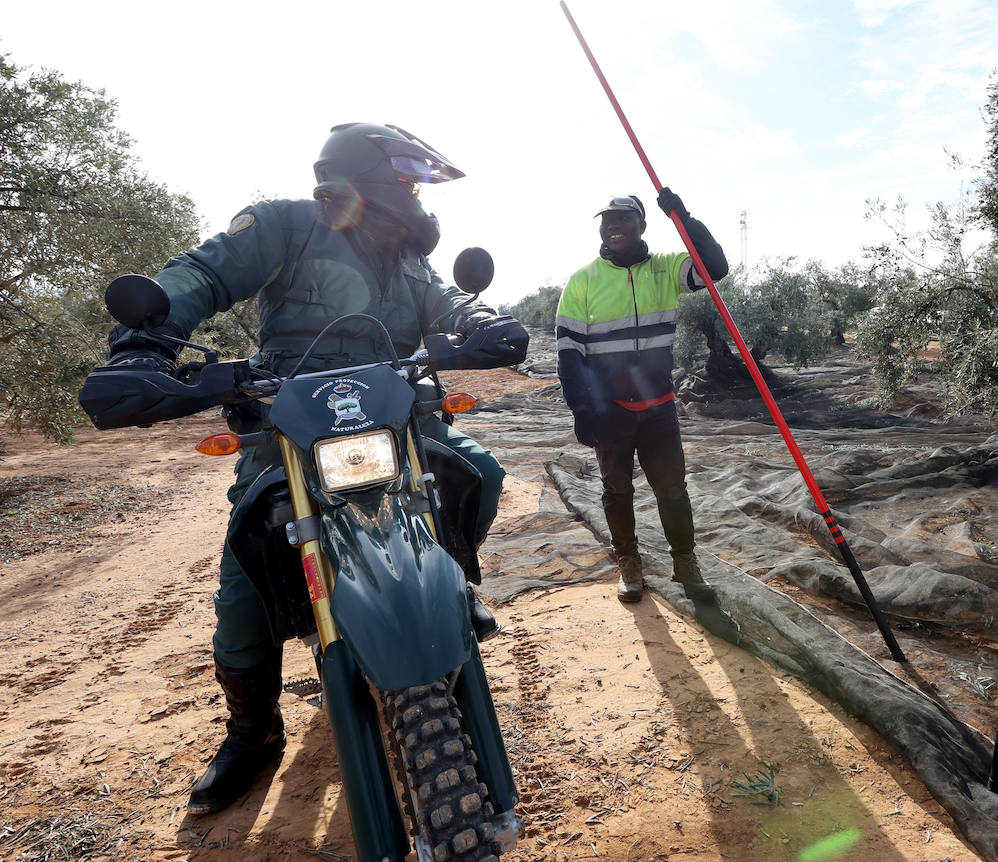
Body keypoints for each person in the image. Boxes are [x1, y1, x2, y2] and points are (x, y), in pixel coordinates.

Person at [103, 122, 529, 814]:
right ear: (373, 176)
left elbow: (445, 303)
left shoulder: (405, 259)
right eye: (411, 181)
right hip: (291, 433)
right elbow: (205, 273)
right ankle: (253, 730)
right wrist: (142, 339)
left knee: (479, 471)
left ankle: (453, 582)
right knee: (244, 583)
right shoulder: (286, 226)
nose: (418, 197)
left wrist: (481, 319)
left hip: (398, 423)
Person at [555, 189, 729, 604]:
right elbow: (569, 353)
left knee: (672, 490)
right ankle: (629, 563)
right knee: (617, 492)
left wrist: (682, 216)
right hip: (610, 412)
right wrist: (581, 409)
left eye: (623, 219)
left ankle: (685, 563)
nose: (613, 226)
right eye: (606, 220)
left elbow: (715, 267)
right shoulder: (583, 281)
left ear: (642, 226)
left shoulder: (667, 269)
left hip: (658, 408)